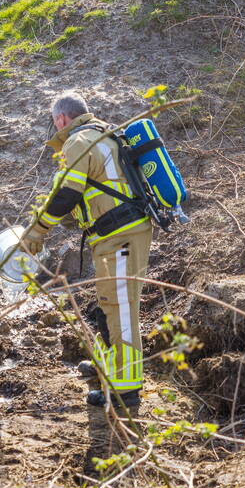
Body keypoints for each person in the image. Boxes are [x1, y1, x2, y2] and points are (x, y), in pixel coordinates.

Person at [19, 92, 153, 408]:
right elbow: (84, 192)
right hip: (116, 233)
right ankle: (109, 367)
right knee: (109, 302)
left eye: (54, 123)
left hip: (120, 234)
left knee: (120, 305)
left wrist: (37, 231)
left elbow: (67, 192)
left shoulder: (78, 141)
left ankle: (126, 388)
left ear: (61, 119)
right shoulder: (102, 134)